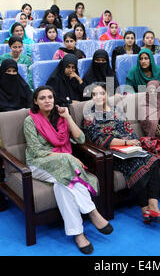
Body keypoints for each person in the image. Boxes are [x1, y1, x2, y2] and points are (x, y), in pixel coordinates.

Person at [24, 85, 112, 254]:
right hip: (38, 164)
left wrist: (68, 118)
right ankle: (92, 212)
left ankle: (78, 234)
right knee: (66, 166)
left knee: (61, 184)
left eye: (50, 97)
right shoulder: (30, 120)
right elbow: (36, 151)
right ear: (35, 101)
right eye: (42, 98)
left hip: (63, 167)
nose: (47, 101)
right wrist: (67, 157)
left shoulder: (60, 116)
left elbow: (80, 139)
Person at [83, 82, 160, 225]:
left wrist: (133, 142)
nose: (99, 97)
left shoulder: (117, 110)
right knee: (137, 165)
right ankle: (146, 209)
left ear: (107, 95)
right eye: (95, 94)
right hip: (110, 154)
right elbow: (99, 140)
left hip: (129, 148)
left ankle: (152, 206)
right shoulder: (89, 116)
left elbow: (129, 130)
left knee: (152, 159)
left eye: (102, 93)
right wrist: (125, 143)